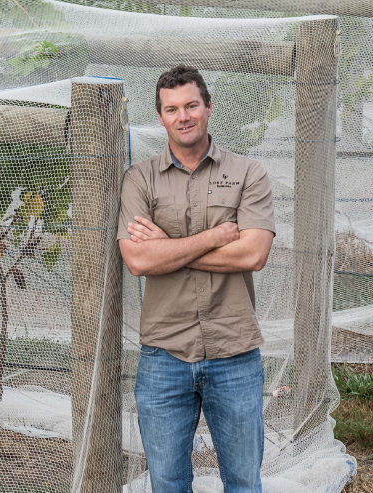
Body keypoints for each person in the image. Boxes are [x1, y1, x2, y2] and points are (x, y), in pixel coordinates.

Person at [117, 65, 276, 492]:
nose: (183, 116)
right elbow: (137, 259)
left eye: (191, 105)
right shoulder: (140, 178)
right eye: (172, 109)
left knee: (244, 482)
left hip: (235, 352)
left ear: (208, 107)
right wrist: (211, 239)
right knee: (167, 483)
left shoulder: (248, 173)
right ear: (161, 117)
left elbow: (254, 253)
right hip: (164, 353)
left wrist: (168, 247)